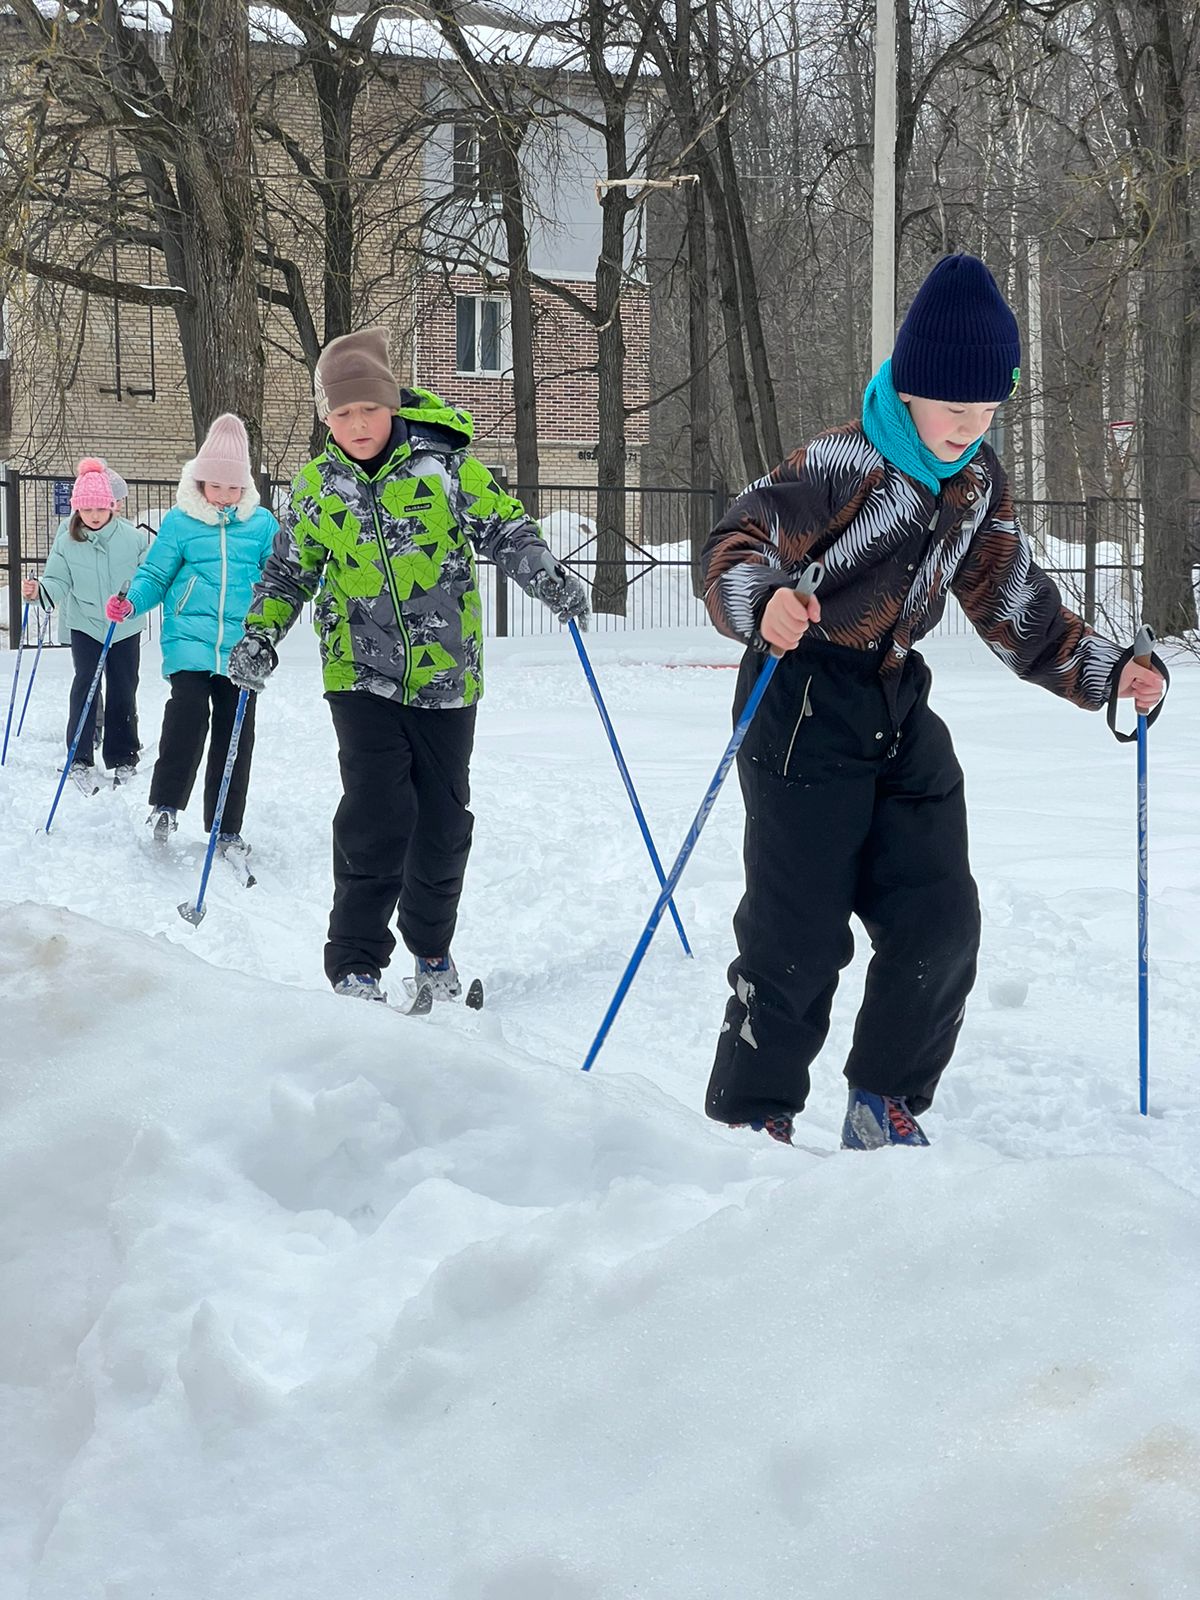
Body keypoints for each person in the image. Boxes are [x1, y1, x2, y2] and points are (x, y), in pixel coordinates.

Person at [701, 253, 1167, 1151]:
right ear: (911, 388)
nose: (969, 423)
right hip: (800, 699)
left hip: (894, 700)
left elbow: (1012, 602)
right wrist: (762, 603)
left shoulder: (977, 482)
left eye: (987, 405)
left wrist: (1109, 672)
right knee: (796, 936)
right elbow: (734, 539)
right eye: (954, 404)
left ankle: (885, 1098)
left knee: (941, 918)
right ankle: (751, 1117)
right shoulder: (842, 464)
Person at [227, 327, 589, 1003]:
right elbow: (287, 575)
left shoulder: (445, 467)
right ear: (325, 418)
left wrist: (546, 577)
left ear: (391, 405)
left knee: (443, 820)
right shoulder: (316, 488)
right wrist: (260, 636)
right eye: (341, 413)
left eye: (368, 409)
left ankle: (431, 950)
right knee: (377, 810)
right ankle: (357, 961)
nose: (357, 424)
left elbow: (504, 528)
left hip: (447, 674)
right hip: (358, 672)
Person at [105, 414, 278, 861]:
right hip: (189, 641)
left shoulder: (261, 526)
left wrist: (268, 625)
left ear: (246, 487)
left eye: (234, 487)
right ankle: (166, 804)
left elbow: (281, 580)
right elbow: (155, 574)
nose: (224, 495)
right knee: (186, 715)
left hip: (242, 650)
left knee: (235, 734)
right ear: (200, 481)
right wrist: (132, 601)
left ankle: (226, 826)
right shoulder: (181, 524)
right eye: (215, 486)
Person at [22, 458, 148, 792]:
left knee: (124, 689)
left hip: (124, 626)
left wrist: (133, 600)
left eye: (100, 507)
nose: (94, 515)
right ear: (77, 509)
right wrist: (39, 592)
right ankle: (79, 756)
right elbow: (57, 581)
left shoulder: (133, 539)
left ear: (112, 506)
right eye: (87, 508)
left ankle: (124, 756)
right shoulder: (67, 541)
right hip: (85, 625)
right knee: (86, 687)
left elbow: (147, 577)